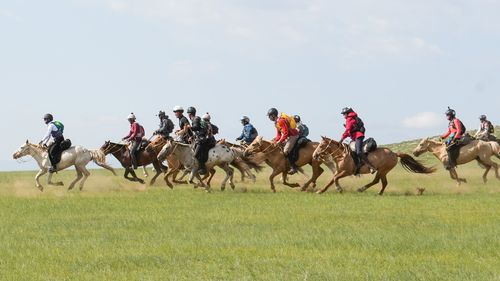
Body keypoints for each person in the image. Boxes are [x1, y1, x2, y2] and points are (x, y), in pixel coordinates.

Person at [339, 107, 377, 174]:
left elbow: (347, 130)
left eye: (344, 114)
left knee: (358, 151)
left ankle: (371, 167)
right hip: (356, 137)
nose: (343, 115)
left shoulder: (349, 119)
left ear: (347, 113)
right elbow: (351, 131)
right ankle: (357, 165)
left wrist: (341, 139)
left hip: (358, 136)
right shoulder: (353, 118)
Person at [267, 108, 299, 174]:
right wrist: (274, 141)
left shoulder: (281, 121)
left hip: (293, 135)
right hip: (288, 136)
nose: (269, 118)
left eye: (269, 116)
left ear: (273, 115)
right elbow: (278, 135)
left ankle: (294, 167)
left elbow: (286, 133)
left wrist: (279, 141)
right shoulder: (276, 123)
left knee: (285, 150)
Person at [190, 107, 215, 175]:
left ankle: (202, 168)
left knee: (197, 154)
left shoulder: (206, 125)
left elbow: (203, 133)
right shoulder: (209, 124)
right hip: (208, 140)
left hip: (208, 141)